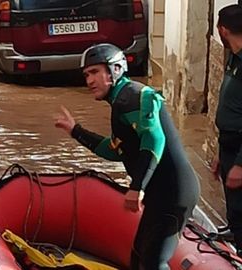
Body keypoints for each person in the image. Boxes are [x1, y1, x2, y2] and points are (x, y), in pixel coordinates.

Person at [55, 43, 200, 269]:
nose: (89, 81)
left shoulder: (132, 96)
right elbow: (113, 150)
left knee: (153, 261)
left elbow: (155, 139)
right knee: (138, 256)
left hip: (174, 191)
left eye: (94, 72)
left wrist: (137, 187)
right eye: (86, 75)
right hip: (160, 192)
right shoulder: (121, 102)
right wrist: (76, 131)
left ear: (115, 69)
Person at [210, 4, 242, 256]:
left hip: (240, 146)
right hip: (229, 142)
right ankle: (235, 233)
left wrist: (240, 164)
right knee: (232, 201)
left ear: (222, 29)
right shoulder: (233, 56)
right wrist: (221, 152)